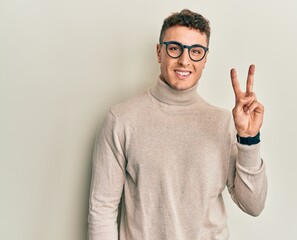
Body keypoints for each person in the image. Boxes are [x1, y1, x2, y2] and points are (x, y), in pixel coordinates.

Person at [88, 9, 267, 240]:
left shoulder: (224, 123)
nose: (184, 60)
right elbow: (101, 210)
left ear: (205, 59)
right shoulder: (121, 119)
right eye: (175, 48)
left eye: (196, 52)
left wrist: (249, 139)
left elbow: (253, 205)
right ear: (159, 52)